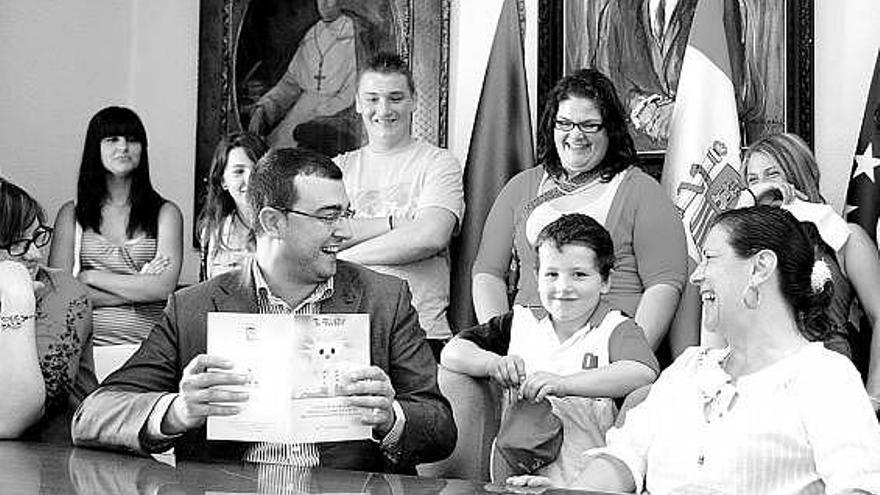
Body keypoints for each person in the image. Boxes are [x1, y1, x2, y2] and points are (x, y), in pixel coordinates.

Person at [71, 148, 456, 472]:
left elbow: (440, 428)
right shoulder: (194, 307)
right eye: (328, 216)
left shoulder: (384, 298)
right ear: (273, 221)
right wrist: (178, 411)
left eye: (346, 213)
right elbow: (92, 415)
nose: (345, 231)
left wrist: (392, 417)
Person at [509, 206, 880, 493]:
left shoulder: (825, 376)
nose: (695, 275)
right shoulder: (688, 368)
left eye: (711, 258)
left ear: (761, 267)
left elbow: (857, 486)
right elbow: (624, 457)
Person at [472, 68, 687, 352]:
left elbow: (664, 284)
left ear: (610, 129)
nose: (576, 135)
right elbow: (487, 272)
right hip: (528, 351)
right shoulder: (521, 187)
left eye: (589, 125)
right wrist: (502, 348)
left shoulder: (642, 191)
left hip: (607, 351)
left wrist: (629, 359)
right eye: (565, 123)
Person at [442, 213, 659, 486]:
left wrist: (565, 384)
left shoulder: (615, 327)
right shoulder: (520, 321)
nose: (563, 287)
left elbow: (642, 373)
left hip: (588, 482)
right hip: (514, 479)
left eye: (579, 275)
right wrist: (493, 364)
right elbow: (453, 351)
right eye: (551, 274)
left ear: (605, 281)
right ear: (536, 276)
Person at [335, 52, 464, 358]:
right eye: (373, 99)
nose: (383, 109)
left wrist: (342, 259)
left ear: (414, 101)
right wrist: (396, 224)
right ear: (357, 103)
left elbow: (429, 237)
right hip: (346, 331)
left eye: (395, 98)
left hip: (421, 331)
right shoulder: (337, 169)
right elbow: (321, 236)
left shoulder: (438, 162)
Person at [741, 132, 880, 413]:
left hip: (828, 384)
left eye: (772, 175)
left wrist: (873, 397)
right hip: (759, 388)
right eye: (753, 181)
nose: (763, 188)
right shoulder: (742, 250)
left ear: (798, 175)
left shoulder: (844, 237)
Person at [49, 106, 183, 346]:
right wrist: (139, 286)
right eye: (112, 139)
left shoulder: (166, 213)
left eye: (132, 139)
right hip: (83, 350)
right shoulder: (72, 214)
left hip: (149, 349)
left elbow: (162, 288)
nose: (123, 147)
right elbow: (61, 295)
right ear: (95, 147)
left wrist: (90, 276)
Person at [0, 178, 96, 438]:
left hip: (55, 462)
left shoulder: (64, 294)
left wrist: (16, 295)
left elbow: (15, 419)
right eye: (17, 244)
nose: (35, 255)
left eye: (36, 237)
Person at [248, 0, 376, 153]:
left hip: (335, 114)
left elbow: (353, 93)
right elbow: (290, 84)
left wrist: (319, 113)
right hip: (301, 111)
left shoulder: (357, 35)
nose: (325, 4)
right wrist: (266, 106)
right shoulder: (312, 33)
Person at [198, 132, 268, 280]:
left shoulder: (289, 227)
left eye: (257, 169)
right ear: (223, 181)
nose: (250, 180)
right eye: (239, 172)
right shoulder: (212, 232)